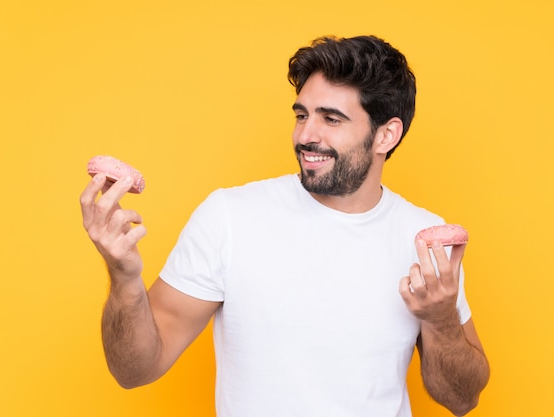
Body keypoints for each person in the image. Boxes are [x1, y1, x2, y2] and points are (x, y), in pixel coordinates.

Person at [80, 35, 489, 417]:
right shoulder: (230, 217)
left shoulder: (423, 238)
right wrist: (124, 277)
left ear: (386, 135)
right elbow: (134, 370)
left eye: (331, 119)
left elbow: (461, 399)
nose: (306, 135)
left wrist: (440, 320)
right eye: (302, 114)